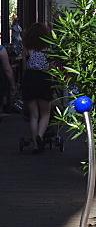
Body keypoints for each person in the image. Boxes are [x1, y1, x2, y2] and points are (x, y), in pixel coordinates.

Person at [21, 22, 53, 153]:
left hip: (30, 79)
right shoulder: (48, 48)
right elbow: (51, 67)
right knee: (45, 113)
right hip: (44, 78)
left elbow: (24, 68)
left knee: (33, 115)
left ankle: (35, 145)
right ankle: (40, 135)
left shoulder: (27, 48)